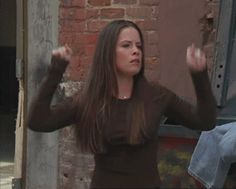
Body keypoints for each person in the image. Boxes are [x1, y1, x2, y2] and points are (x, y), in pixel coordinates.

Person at [27, 20, 217, 189]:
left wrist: (199, 76)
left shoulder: (156, 95)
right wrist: (56, 70)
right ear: (108, 52)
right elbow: (38, 121)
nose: (135, 51)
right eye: (126, 45)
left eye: (139, 46)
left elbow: (204, 122)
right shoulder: (89, 100)